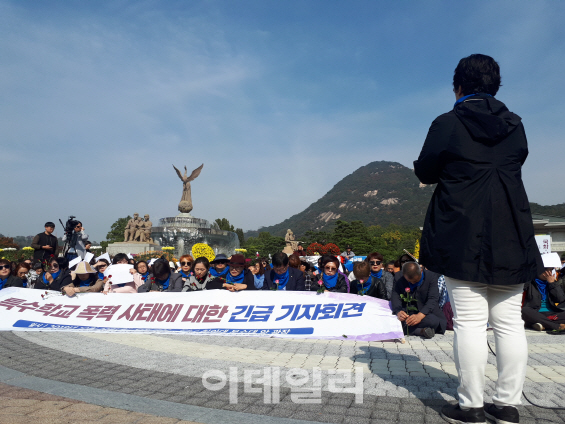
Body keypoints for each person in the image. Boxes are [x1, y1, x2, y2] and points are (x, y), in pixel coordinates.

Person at [414, 54, 543, 424]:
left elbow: (426, 169)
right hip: (511, 230)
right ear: (496, 86)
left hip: (461, 231)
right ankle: (506, 405)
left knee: (469, 323)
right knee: (509, 323)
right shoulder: (515, 125)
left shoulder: (448, 121)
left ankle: (470, 405)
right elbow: (516, 161)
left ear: (458, 86)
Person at [391, 262, 446, 339]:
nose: (413, 283)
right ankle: (420, 331)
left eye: (415, 281)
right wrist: (398, 311)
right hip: (407, 313)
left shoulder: (431, 276)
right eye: (410, 281)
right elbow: (395, 296)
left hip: (426, 313)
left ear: (421, 271)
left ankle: (407, 329)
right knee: (393, 320)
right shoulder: (398, 277)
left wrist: (421, 315)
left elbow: (433, 298)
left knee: (432, 321)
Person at [522, 267, 565, 332]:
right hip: (535, 312)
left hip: (551, 313)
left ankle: (536, 324)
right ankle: (557, 326)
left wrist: (552, 284)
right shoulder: (529, 282)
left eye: (551, 270)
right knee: (524, 310)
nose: (548, 273)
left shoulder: (553, 283)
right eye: (545, 270)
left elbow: (560, 300)